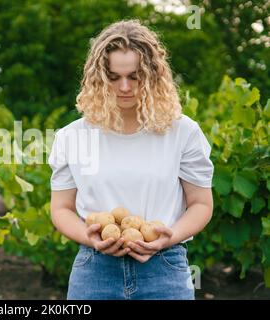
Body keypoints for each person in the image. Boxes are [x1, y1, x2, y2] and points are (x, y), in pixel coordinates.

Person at [48, 19, 214, 300]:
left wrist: (170, 236)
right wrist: (90, 237)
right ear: (99, 78)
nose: (124, 87)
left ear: (152, 76)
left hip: (165, 268)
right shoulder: (73, 136)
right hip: (95, 272)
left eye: (134, 76)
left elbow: (201, 203)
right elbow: (61, 208)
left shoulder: (182, 132)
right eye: (113, 77)